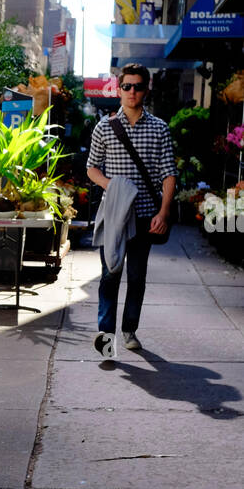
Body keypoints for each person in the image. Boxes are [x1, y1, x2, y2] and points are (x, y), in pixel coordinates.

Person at [86, 62, 176, 353]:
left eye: (138, 86)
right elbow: (92, 168)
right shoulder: (105, 127)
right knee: (110, 275)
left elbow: (168, 174)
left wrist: (163, 213)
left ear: (146, 89)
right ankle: (106, 339)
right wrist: (112, 186)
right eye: (127, 86)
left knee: (137, 276)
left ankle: (129, 330)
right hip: (114, 215)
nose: (132, 91)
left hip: (146, 215)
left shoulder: (159, 128)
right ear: (119, 88)